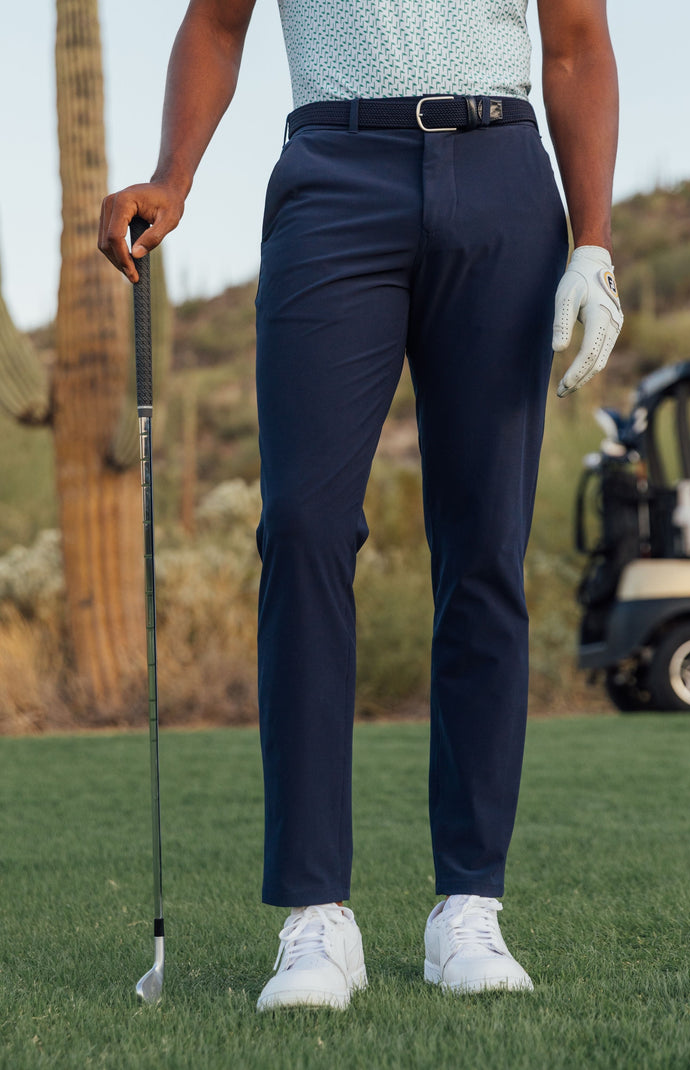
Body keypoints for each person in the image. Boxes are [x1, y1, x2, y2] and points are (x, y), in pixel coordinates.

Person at [99, 0, 623, 1010]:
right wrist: (173, 175)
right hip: (333, 176)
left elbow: (574, 44)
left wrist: (592, 243)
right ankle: (315, 918)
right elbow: (215, 23)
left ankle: (467, 906)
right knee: (301, 527)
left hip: (504, 176)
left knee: (484, 546)